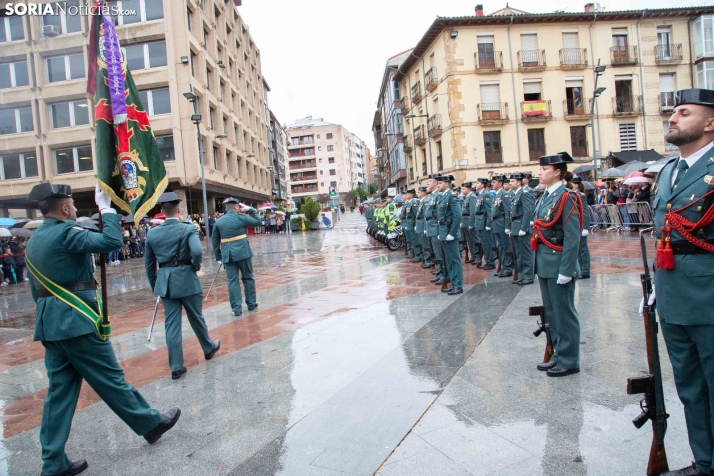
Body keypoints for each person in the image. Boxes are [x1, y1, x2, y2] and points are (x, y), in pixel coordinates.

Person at [26, 183, 180, 476]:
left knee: (59, 394)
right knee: (110, 378)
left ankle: (53, 462)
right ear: (63, 208)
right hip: (76, 323)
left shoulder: (35, 240)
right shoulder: (65, 233)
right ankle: (150, 424)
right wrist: (107, 209)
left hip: (51, 324)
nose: (73, 208)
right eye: (71, 204)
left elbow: (38, 291)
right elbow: (111, 241)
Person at [646, 88, 714, 476]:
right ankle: (704, 462)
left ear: (710, 123)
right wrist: (657, 287)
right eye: (673, 112)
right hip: (671, 293)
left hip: (708, 294)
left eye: (684, 113)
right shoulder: (670, 170)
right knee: (690, 387)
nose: (672, 118)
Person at [144, 192, 220, 380]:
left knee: (171, 325)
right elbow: (196, 251)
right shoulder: (188, 229)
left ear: (162, 211)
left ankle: (176, 366)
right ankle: (208, 348)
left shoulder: (152, 233)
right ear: (179, 209)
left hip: (166, 282)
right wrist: (195, 266)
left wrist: (156, 284)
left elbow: (148, 264)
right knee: (196, 317)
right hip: (186, 278)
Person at [532, 151, 582, 377]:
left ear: (558, 172)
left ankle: (569, 360)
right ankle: (559, 354)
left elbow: (572, 237)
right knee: (552, 314)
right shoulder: (545, 195)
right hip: (545, 262)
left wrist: (567, 269)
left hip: (559, 262)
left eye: (544, 169)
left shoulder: (567, 197)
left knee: (564, 314)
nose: (540, 172)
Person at [212, 198, 263, 317]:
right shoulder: (241, 217)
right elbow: (258, 221)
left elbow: (215, 242)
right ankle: (251, 303)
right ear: (236, 207)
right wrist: (251, 209)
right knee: (248, 278)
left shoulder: (219, 221)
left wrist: (219, 257)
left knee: (232, 281)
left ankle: (236, 308)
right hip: (243, 252)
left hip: (228, 255)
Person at [436, 175, 463, 295]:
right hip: (443, 231)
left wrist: (452, 233)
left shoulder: (452, 197)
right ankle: (453, 283)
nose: (438, 185)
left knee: (454, 260)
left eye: (440, 183)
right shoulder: (442, 197)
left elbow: (457, 216)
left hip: (449, 232)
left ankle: (458, 285)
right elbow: (440, 217)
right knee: (448, 260)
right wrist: (439, 232)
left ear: (446, 184)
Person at [508, 173, 535, 285]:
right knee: (518, 253)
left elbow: (528, 211)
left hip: (521, 226)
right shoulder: (514, 194)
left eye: (513, 181)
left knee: (526, 253)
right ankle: (521, 275)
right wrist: (510, 227)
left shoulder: (524, 193)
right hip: (515, 226)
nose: (510, 183)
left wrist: (524, 228)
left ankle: (528, 276)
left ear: (519, 182)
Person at [489, 175, 514, 277]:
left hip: (502, 223)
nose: (492, 184)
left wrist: (508, 226)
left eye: (494, 182)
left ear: (500, 183)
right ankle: (503, 265)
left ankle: (508, 267)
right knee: (500, 246)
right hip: (496, 224)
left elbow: (508, 211)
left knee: (506, 246)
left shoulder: (504, 195)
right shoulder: (496, 195)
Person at [424, 174, 444, 282]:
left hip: (436, 227)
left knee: (439, 252)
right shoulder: (432, 196)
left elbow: (438, 213)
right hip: (431, 227)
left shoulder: (438, 195)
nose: (428, 183)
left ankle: (443, 274)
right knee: (436, 252)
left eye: (430, 181)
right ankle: (440, 272)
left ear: (436, 183)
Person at [572, 177, 592, 279]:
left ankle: (585, 271)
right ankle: (581, 269)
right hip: (576, 225)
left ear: (576, 185)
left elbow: (585, 212)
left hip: (581, 225)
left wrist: (585, 227)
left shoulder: (581, 196)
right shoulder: (573, 195)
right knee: (578, 249)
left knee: (583, 249)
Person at [473, 178, 494, 269]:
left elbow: (490, 211)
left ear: (482, 185)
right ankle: (487, 261)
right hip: (479, 222)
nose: (476, 185)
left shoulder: (486, 195)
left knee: (487, 244)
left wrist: (488, 224)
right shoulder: (480, 195)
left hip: (484, 222)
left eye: (478, 183)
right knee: (483, 243)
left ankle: (490, 262)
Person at [461, 183, 478, 264]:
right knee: (469, 240)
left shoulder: (472, 197)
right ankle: (473, 256)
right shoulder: (466, 197)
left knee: (474, 239)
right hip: (465, 221)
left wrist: (471, 223)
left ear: (468, 189)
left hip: (469, 221)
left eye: (463, 189)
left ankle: (478, 256)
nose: (462, 191)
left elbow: (472, 211)